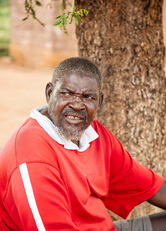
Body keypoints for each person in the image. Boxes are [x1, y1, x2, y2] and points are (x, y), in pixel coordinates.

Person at [0, 57, 165, 231]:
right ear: (49, 93)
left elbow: (151, 187)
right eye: (66, 93)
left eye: (87, 97)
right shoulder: (31, 152)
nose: (77, 105)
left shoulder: (94, 135)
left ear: (99, 102)